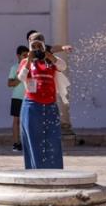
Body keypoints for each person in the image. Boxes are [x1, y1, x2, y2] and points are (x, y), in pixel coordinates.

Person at [18, 36, 64, 169]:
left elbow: (63, 66)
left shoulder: (50, 60)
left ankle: (55, 172)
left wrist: (51, 56)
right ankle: (36, 172)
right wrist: (29, 60)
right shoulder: (26, 61)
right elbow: (21, 77)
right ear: (30, 47)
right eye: (34, 46)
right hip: (32, 106)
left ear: (44, 46)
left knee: (53, 140)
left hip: (50, 106)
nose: (37, 49)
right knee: (34, 140)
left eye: (40, 46)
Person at [8, 45, 29, 152]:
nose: (26, 57)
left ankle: (27, 142)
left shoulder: (31, 67)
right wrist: (20, 78)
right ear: (18, 56)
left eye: (28, 55)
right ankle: (16, 143)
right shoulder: (14, 68)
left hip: (29, 97)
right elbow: (9, 83)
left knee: (28, 121)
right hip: (17, 97)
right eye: (24, 55)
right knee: (16, 120)